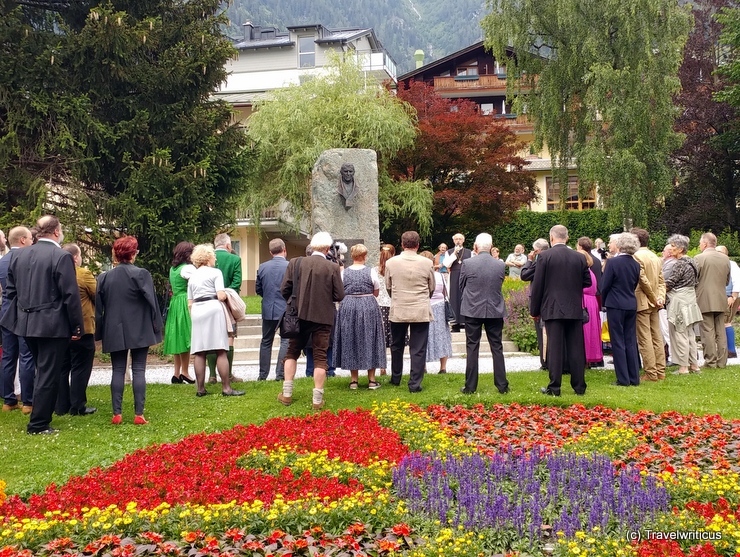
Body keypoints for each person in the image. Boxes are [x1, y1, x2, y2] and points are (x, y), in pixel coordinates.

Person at [0, 216, 84, 434]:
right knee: (48, 373)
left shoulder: (19, 255)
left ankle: (40, 414)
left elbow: (11, 291)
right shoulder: (61, 256)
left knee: (42, 370)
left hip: (25, 324)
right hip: (51, 325)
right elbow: (70, 295)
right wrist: (77, 326)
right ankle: (38, 423)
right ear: (56, 232)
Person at [96, 236, 163, 424]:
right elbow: (152, 303)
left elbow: (98, 308)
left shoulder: (104, 277)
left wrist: (100, 332)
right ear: (133, 253)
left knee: (117, 370)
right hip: (140, 327)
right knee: (139, 368)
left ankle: (117, 413)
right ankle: (138, 414)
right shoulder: (142, 274)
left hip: (114, 328)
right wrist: (156, 325)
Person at [278, 231, 344, 409]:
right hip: (323, 317)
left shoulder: (295, 262)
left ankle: (287, 394)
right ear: (327, 248)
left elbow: (285, 289)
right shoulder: (332, 267)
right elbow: (339, 295)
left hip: (297, 316)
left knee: (292, 351)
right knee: (320, 356)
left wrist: (294, 303)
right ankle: (317, 399)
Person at [529, 224, 591, 396]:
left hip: (553, 307)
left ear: (551, 237)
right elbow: (588, 282)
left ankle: (554, 387)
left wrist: (534, 310)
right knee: (576, 348)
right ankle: (579, 387)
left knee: (555, 349)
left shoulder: (544, 256)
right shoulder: (579, 257)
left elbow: (538, 285)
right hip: (573, 307)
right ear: (567, 237)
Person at [187, 244, 245, 398]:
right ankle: (226, 387)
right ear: (207, 257)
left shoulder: (192, 276)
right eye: (213, 256)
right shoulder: (215, 273)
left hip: (197, 310)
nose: (215, 258)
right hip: (213, 308)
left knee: (200, 351)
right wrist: (229, 294)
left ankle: (200, 389)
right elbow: (220, 295)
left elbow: (190, 302)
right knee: (221, 349)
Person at [458, 233, 508, 394]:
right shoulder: (499, 265)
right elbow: (498, 284)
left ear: (475, 247)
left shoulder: (467, 263)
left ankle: (470, 386)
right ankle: (502, 385)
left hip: (473, 309)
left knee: (472, 347)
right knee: (497, 347)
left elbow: (461, 285)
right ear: (491, 246)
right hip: (494, 308)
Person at [386, 231, 435, 393]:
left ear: (402, 244)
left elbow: (388, 286)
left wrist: (397, 297)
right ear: (418, 245)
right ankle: (414, 383)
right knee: (418, 348)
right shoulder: (427, 263)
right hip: (420, 308)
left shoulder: (391, 262)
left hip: (399, 307)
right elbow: (431, 287)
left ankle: (396, 377)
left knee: (396, 345)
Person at [333, 244, 386, 389]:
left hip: (348, 305)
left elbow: (340, 290)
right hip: (368, 305)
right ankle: (371, 380)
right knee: (370, 338)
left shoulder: (344, 273)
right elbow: (376, 291)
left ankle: (354, 381)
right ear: (364, 256)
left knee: (351, 338)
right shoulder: (371, 272)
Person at [55, 243, 97, 416]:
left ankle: (61, 405)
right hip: (83, 326)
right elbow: (97, 293)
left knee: (63, 367)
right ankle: (78, 405)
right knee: (81, 367)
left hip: (61, 328)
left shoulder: (55, 273)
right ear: (74, 258)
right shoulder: (82, 274)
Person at [0, 226, 35, 414]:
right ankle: (28, 402)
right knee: (27, 356)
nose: (32, 242)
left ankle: (8, 400)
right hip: (23, 312)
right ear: (22, 240)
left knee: (8, 356)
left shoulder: (2, 261)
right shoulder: (27, 259)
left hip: (6, 312)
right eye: (30, 238)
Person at [600, 233, 642, 387]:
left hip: (615, 304)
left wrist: (604, 303)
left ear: (620, 245)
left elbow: (604, 286)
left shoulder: (613, 263)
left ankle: (623, 378)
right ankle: (634, 377)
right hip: (631, 303)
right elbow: (634, 284)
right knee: (630, 340)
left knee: (617, 341)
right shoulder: (636, 264)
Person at [630, 228, 666, 382]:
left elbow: (642, 280)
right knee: (657, 337)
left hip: (643, 301)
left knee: (645, 338)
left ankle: (651, 373)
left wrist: (653, 298)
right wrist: (660, 298)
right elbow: (661, 281)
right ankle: (660, 371)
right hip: (655, 302)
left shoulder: (636, 256)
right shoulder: (654, 256)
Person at [207, 233, 243, 384]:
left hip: (209, 302)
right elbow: (237, 282)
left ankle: (212, 375)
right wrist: (226, 295)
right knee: (229, 337)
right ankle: (228, 375)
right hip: (227, 303)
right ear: (228, 246)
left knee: (209, 339)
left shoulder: (206, 259)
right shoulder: (235, 259)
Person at [665, 235, 703, 375]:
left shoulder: (680, 263)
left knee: (679, 333)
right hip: (690, 299)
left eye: (674, 246)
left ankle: (683, 367)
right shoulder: (692, 261)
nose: (671, 249)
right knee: (689, 333)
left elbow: (671, 283)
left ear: (681, 249)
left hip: (679, 301)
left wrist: (658, 288)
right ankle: (694, 365)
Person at [694, 232, 731, 369]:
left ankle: (711, 361)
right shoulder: (725, 259)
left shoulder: (699, 258)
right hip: (721, 298)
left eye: (699, 243)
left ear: (704, 244)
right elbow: (727, 281)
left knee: (707, 331)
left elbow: (694, 280)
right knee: (720, 331)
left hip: (704, 298)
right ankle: (722, 361)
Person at [256, 238, 289, 381]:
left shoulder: (262, 267)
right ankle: (280, 375)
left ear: (270, 252)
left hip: (268, 307)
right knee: (286, 341)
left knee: (266, 341)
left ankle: (262, 375)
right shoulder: (290, 266)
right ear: (284, 249)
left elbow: (258, 289)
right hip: (286, 308)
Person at [163, 242, 196, 384]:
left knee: (177, 338)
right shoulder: (187, 269)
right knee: (185, 337)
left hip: (175, 302)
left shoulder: (173, 269)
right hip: (184, 301)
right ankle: (185, 372)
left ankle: (176, 373)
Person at [419, 251, 453, 374]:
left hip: (424, 307)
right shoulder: (439, 276)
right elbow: (445, 292)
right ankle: (443, 367)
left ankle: (422, 366)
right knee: (442, 336)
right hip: (439, 307)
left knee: (422, 337)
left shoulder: (419, 275)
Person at [521, 238, 549, 370]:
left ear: (537, 251)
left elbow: (524, 275)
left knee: (542, 332)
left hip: (541, 301)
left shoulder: (540, 262)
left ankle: (545, 361)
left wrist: (529, 260)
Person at [575, 242, 603, 368]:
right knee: (591, 330)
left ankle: (584, 358)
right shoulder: (590, 272)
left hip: (584, 301)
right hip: (592, 303)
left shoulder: (584, 273)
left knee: (585, 331)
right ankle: (590, 358)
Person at [442, 233, 472, 332]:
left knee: (464, 297)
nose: (458, 241)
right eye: (456, 239)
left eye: (460, 239)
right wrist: (454, 254)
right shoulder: (449, 252)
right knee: (454, 297)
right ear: (454, 241)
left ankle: (464, 321)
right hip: (454, 275)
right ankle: (455, 323)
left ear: (463, 240)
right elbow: (446, 264)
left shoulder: (468, 252)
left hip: (465, 275)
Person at [375, 244, 396, 375]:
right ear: (393, 254)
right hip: (394, 305)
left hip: (379, 306)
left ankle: (382, 367)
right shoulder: (396, 268)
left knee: (381, 339)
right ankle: (395, 367)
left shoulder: (374, 270)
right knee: (395, 339)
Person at [716, 245, 740, 359]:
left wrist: (733, 296)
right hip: (722, 296)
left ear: (726, 254)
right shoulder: (718, 264)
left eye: (720, 252)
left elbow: (737, 280)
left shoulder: (732, 264)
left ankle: (731, 350)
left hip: (729, 296)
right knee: (722, 322)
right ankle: (727, 349)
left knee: (726, 321)